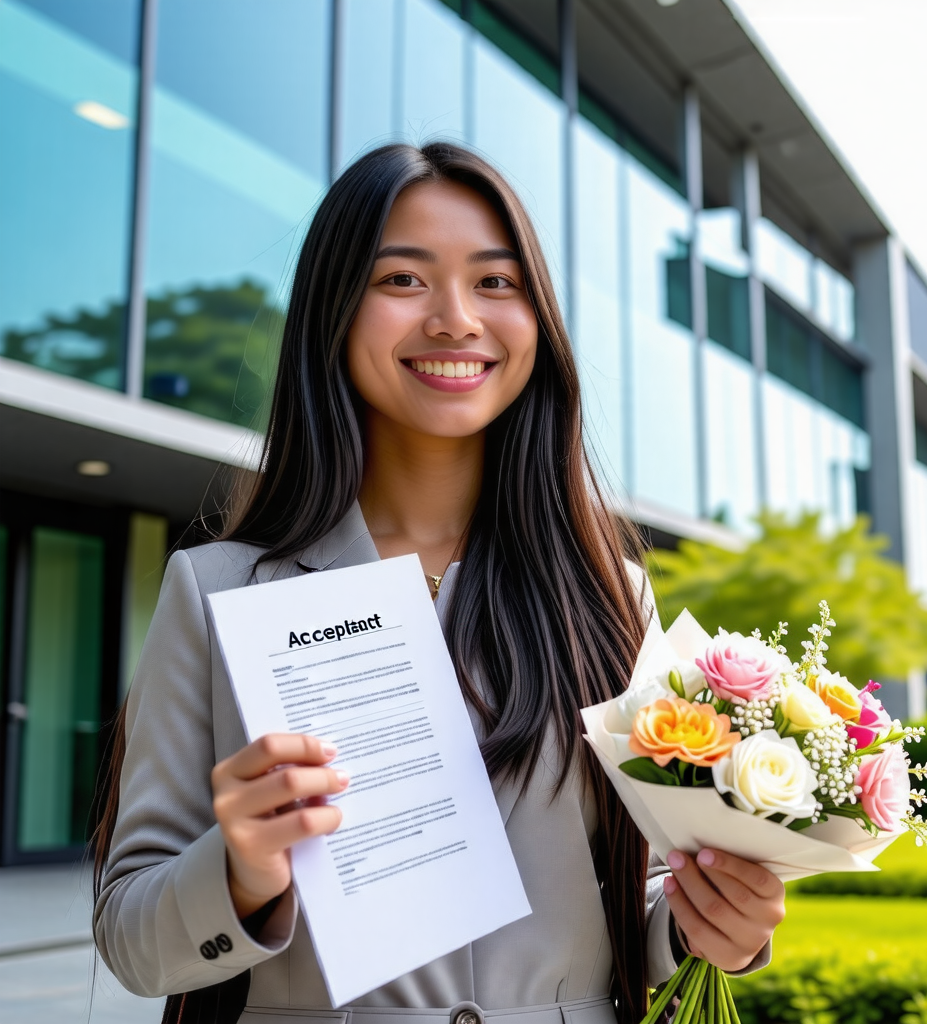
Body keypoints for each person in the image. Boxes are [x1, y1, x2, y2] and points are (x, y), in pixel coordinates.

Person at [92, 142, 784, 1024]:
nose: (456, 319)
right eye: (402, 281)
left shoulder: (610, 595)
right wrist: (238, 870)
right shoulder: (218, 592)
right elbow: (129, 939)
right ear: (333, 313)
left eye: (496, 283)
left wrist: (709, 921)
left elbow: (639, 892)